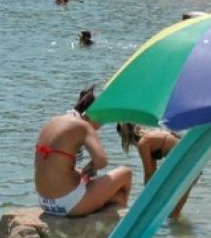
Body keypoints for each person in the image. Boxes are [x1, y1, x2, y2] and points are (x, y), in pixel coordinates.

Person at [33, 87, 132, 217]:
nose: (99, 127)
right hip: (66, 203)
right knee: (126, 174)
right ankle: (123, 227)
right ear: (92, 114)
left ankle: (110, 203)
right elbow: (102, 162)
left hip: (45, 202)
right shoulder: (83, 126)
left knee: (116, 196)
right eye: (101, 121)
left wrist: (83, 172)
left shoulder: (54, 121)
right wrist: (90, 166)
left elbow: (54, 165)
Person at [116, 123, 193, 219]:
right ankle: (180, 232)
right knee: (174, 214)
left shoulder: (143, 143)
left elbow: (148, 173)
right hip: (192, 161)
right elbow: (153, 172)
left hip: (184, 164)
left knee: (173, 215)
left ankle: (172, 232)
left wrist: (145, 198)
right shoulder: (149, 136)